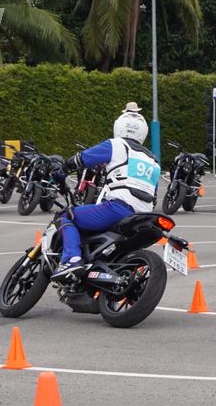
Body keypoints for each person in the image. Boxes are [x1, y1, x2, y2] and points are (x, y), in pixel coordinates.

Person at [50, 112, 160, 281]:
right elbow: (154, 195)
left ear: (118, 127)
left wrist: (61, 172)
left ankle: (71, 260)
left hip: (117, 209)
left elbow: (81, 159)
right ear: (143, 133)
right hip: (144, 215)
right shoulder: (153, 160)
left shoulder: (116, 145)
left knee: (66, 215)